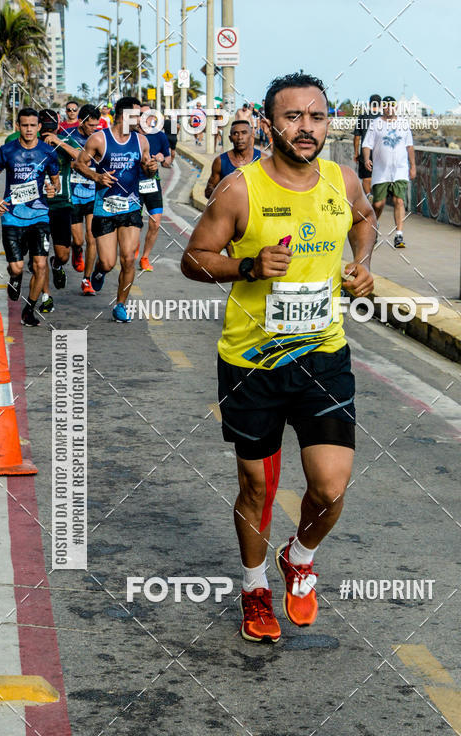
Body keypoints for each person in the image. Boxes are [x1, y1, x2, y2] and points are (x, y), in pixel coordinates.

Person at [181, 72, 375, 643]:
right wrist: (246, 266)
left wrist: (362, 264)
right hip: (252, 364)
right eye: (293, 117)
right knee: (257, 489)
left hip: (323, 357)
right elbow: (193, 259)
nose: (306, 128)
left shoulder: (343, 180)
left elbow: (363, 220)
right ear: (269, 125)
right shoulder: (241, 189)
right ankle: (254, 586)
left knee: (330, 488)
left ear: (328, 124)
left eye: (316, 118)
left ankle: (300, 554)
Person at [74, 96, 158, 322]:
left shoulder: (142, 141)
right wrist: (96, 176)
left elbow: (147, 170)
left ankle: (121, 304)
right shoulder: (99, 139)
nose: (141, 118)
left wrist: (151, 168)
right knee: (108, 262)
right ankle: (100, 271)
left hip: (131, 206)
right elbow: (79, 164)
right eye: (137, 114)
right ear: (122, 115)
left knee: (129, 259)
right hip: (105, 208)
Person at [0, 107, 60, 326]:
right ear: (18, 126)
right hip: (12, 217)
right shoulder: (7, 150)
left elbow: (56, 181)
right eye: (24, 125)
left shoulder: (48, 153)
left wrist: (52, 189)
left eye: (32, 126)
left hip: (39, 216)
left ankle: (29, 310)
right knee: (17, 267)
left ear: (39, 127)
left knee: (40, 265)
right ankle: (15, 278)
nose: (28, 130)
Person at [37, 108, 80, 312]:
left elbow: (81, 157)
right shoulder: (30, 144)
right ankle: (46, 297)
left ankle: (57, 265)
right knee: (41, 255)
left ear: (57, 125)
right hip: (38, 208)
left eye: (50, 125)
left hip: (62, 205)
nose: (46, 129)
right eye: (43, 125)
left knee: (63, 254)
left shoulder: (65, 141)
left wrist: (58, 142)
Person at [361, 95, 416, 248]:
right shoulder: (375, 123)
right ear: (382, 107)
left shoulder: (403, 123)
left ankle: (399, 235)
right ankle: (374, 226)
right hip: (381, 171)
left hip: (400, 170)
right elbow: (367, 144)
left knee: (399, 200)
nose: (389, 108)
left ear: (396, 107)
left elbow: (409, 146)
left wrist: (413, 166)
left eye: (392, 105)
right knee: (379, 203)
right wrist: (366, 159)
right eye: (386, 105)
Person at [68, 104, 101, 295]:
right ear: (81, 122)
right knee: (79, 240)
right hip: (73, 196)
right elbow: (69, 162)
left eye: (96, 125)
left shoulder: (98, 139)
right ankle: (76, 249)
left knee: (92, 237)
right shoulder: (70, 137)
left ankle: (86, 280)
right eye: (90, 125)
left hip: (92, 195)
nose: (94, 129)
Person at [137, 103, 172, 271]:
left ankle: (145, 257)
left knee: (155, 223)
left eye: (147, 114)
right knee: (134, 224)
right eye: (140, 114)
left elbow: (168, 161)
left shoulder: (159, 136)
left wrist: (161, 158)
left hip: (152, 184)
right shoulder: (130, 136)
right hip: (133, 185)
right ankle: (133, 249)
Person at [204, 120, 261, 199]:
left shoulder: (263, 159)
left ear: (251, 136)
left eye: (244, 133)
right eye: (235, 134)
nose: (240, 137)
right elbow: (208, 192)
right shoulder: (220, 161)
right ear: (230, 138)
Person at [353, 93, 382, 198]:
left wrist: (356, 153)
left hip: (366, 152)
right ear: (380, 104)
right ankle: (378, 197)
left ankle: (369, 195)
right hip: (380, 152)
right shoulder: (383, 118)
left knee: (366, 177)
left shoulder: (362, 117)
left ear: (370, 104)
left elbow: (357, 137)